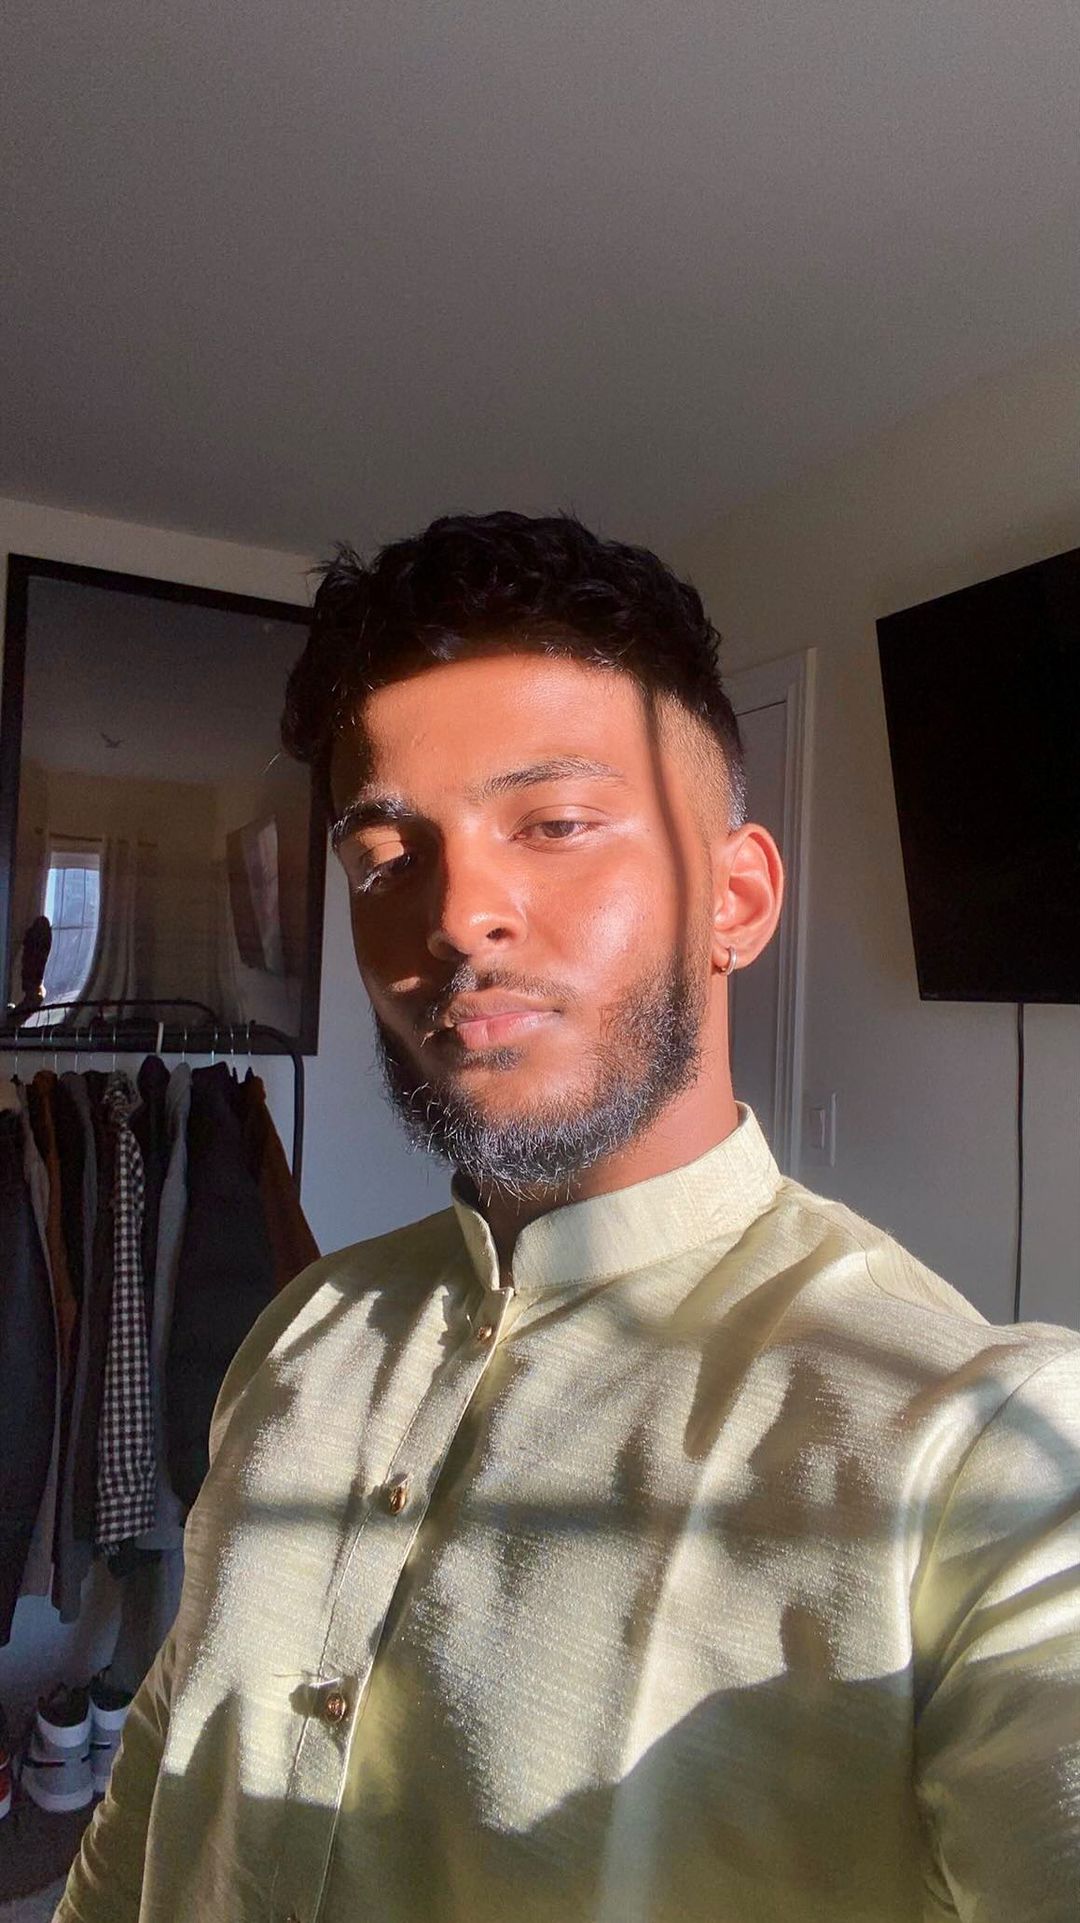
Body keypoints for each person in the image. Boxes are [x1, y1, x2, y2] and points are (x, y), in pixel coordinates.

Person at [57, 513, 1080, 1923]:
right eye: (386, 857)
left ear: (735, 900)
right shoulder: (304, 1325)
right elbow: (174, 1747)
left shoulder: (981, 1445)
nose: (458, 915)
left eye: (555, 824)